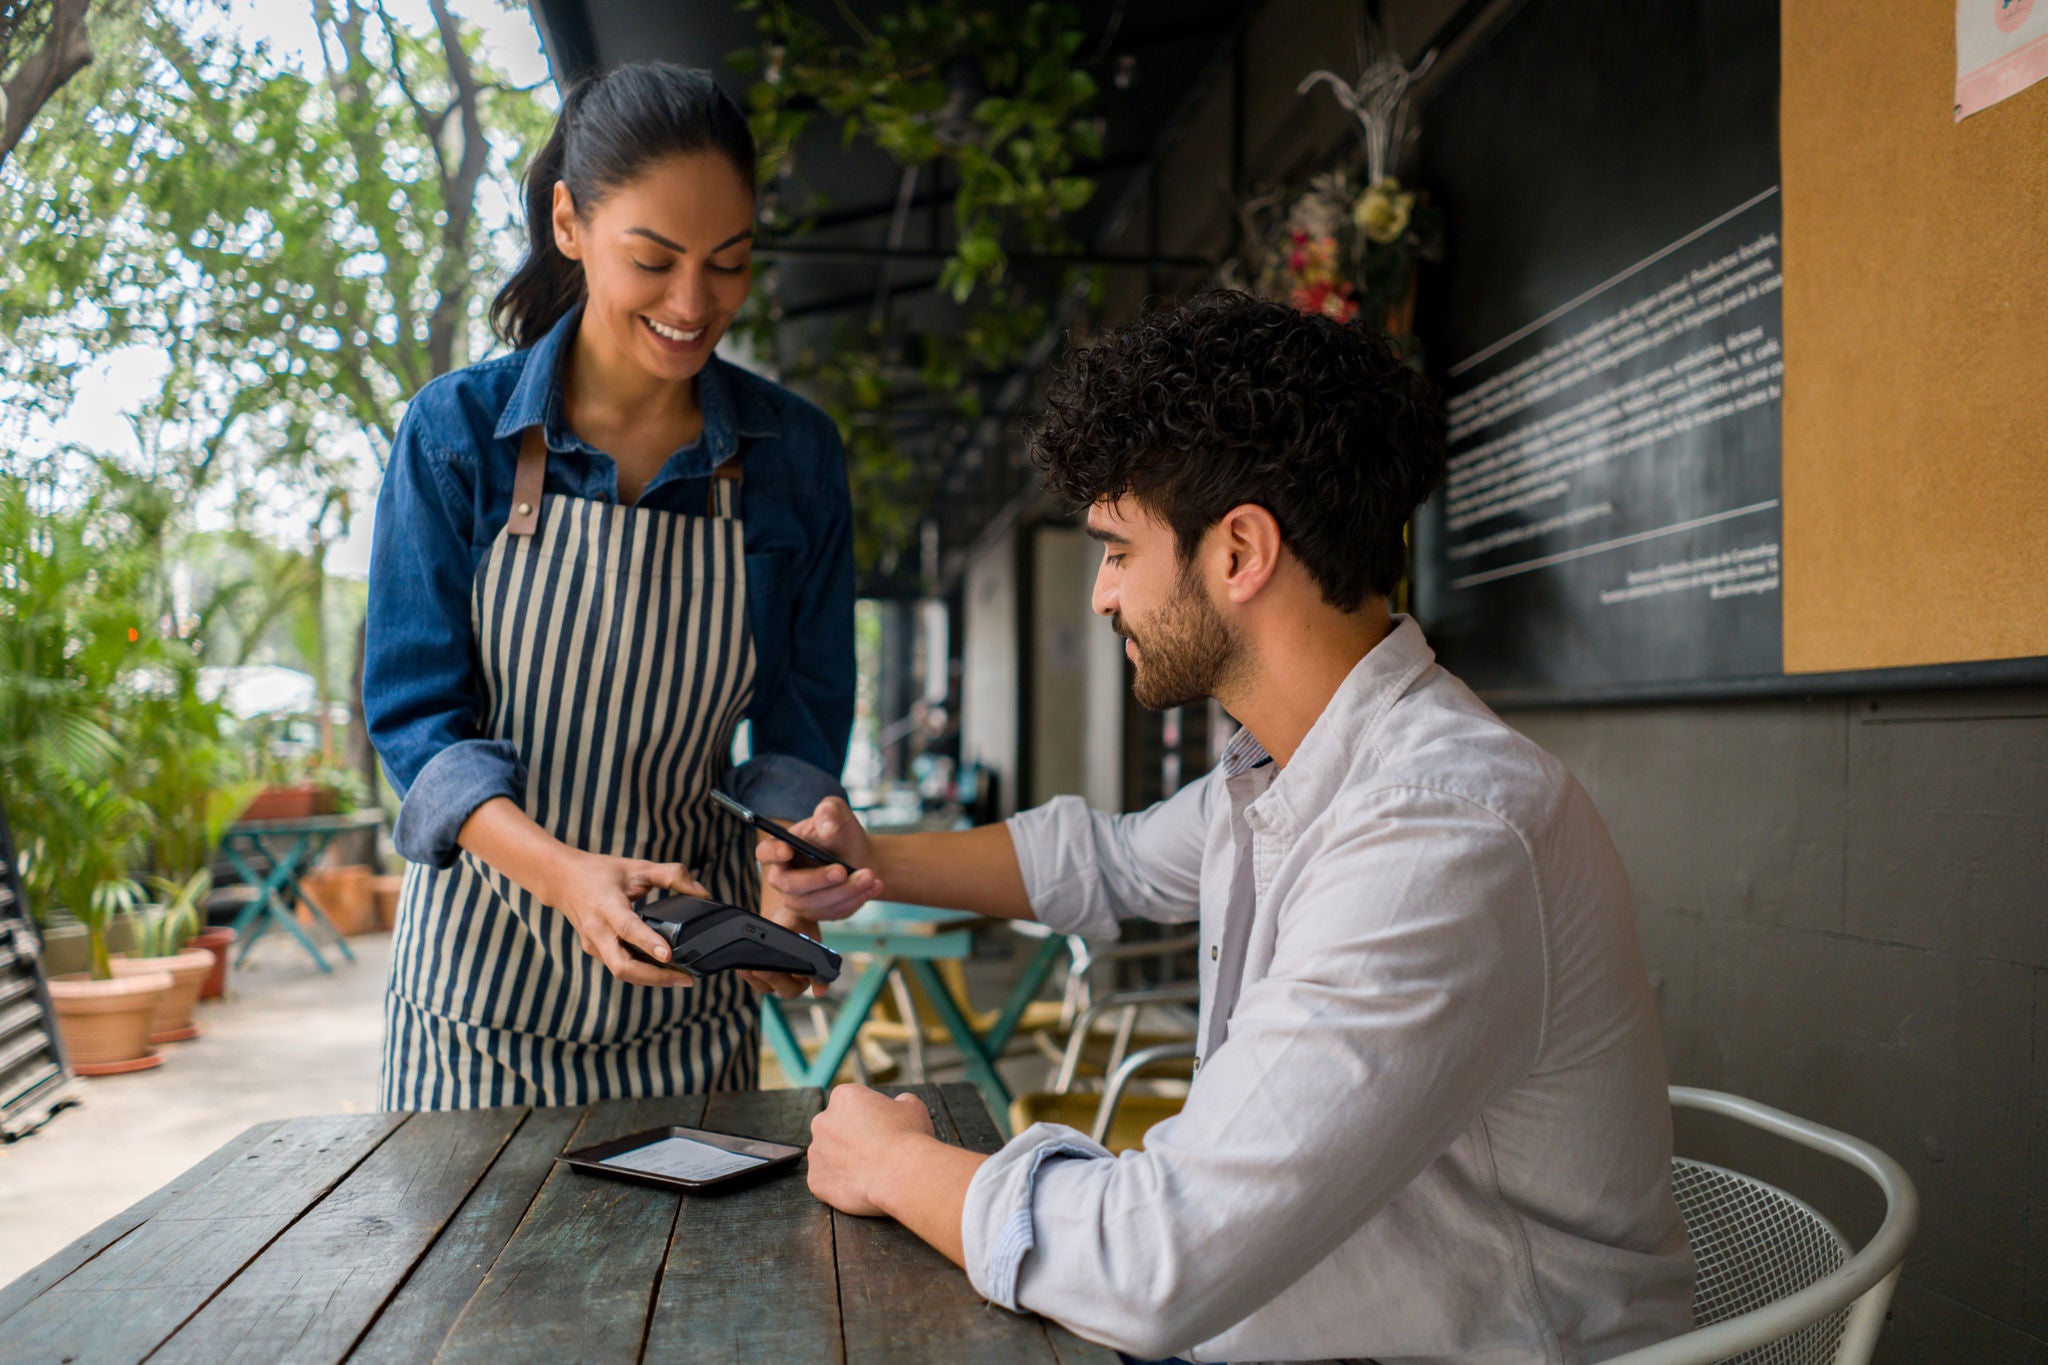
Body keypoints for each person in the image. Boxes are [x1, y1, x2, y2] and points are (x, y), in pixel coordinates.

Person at [757, 292, 1696, 1362]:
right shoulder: (1293, 772)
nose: (1102, 596)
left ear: (1238, 550)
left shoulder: (1439, 835)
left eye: (1116, 550)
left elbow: (1155, 1261)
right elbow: (1104, 862)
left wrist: (893, 1163)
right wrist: (869, 861)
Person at [363, 63, 853, 1110]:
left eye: (727, 264)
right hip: (477, 1012)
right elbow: (416, 725)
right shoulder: (456, 440)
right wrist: (563, 875)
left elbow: (795, 734)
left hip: (690, 1004)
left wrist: (791, 865)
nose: (693, 304)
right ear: (569, 225)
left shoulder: (795, 460)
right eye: (655, 259)